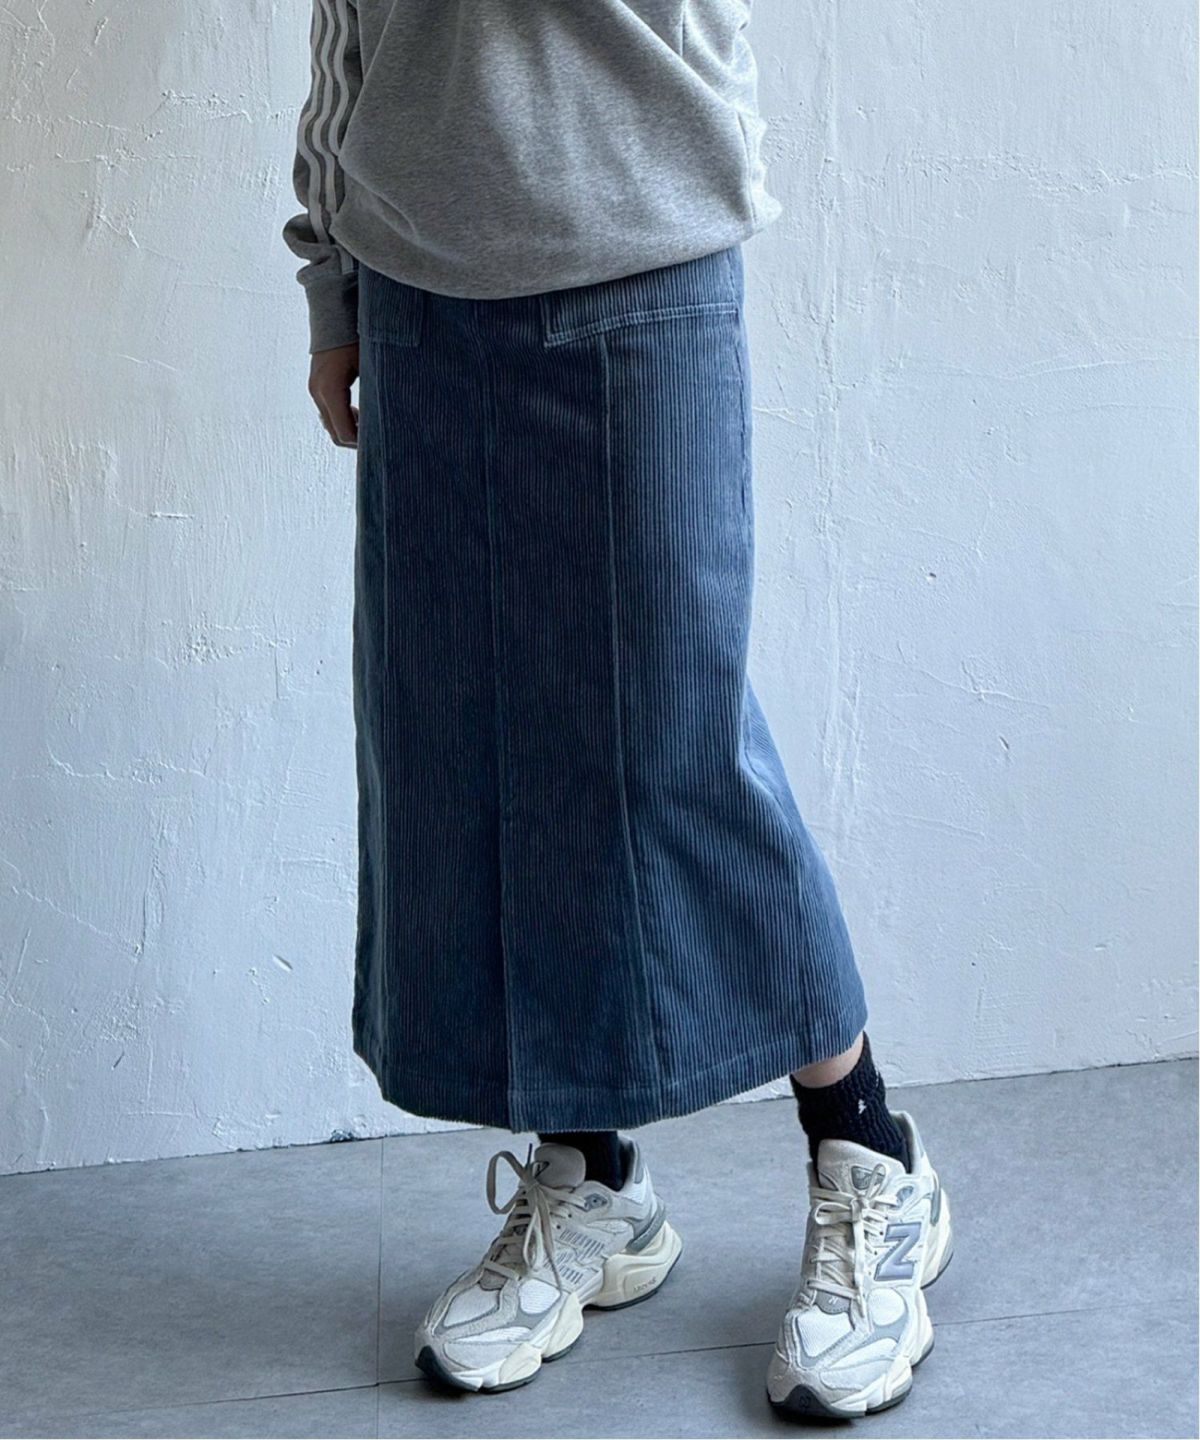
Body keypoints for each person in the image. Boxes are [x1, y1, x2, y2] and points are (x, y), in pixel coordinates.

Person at [282, 0, 952, 1420]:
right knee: (474, 743)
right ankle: (592, 1175)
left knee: (668, 745)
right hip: (416, 279)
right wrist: (332, 271)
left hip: (639, 241)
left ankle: (872, 1152)